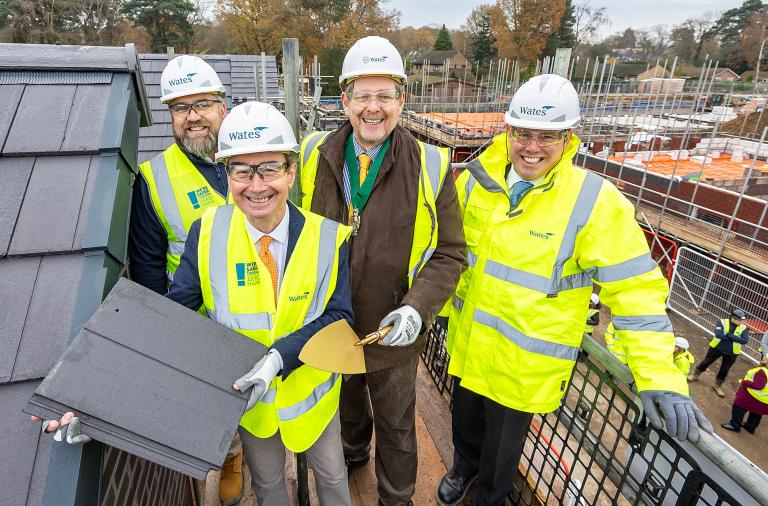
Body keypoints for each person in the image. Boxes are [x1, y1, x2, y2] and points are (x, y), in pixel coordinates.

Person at [36, 102, 355, 506]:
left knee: (332, 477)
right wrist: (95, 400)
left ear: (291, 172)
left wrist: (279, 358)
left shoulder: (328, 237)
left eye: (270, 168)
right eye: (242, 170)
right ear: (227, 174)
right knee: (269, 484)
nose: (257, 186)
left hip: (314, 397)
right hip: (251, 407)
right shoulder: (207, 233)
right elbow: (170, 321)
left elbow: (339, 316)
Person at [438, 74, 712, 506]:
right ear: (508, 132)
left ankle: (488, 497)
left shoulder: (595, 202)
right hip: (469, 345)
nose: (531, 147)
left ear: (569, 139)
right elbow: (449, 256)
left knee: (501, 456)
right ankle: (461, 469)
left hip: (521, 366)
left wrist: (660, 377)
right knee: (464, 424)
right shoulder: (476, 181)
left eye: (547, 137)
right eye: (523, 134)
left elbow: (636, 294)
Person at [299, 36, 466, 506]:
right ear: (345, 101)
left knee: (396, 422)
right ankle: (353, 454)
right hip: (331, 321)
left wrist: (417, 308)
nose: (374, 109)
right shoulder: (314, 153)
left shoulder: (432, 166)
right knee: (347, 403)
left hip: (395, 328)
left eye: (385, 96)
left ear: (402, 101)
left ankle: (396, 497)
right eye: (363, 96)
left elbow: (451, 252)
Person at [127, 54, 245, 504]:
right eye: (180, 108)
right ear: (171, 117)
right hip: (200, 319)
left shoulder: (254, 156)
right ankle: (230, 454)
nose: (193, 116)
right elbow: (148, 266)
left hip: (264, 303)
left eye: (202, 104)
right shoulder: (154, 180)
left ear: (223, 107)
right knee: (215, 404)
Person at [689, 308, 750, 398]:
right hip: (717, 347)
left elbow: (744, 341)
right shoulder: (722, 322)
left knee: (725, 369)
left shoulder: (744, 328)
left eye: (743, 320)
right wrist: (736, 337)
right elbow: (718, 334)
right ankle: (695, 375)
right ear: (733, 318)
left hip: (732, 352)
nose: (742, 322)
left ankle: (717, 385)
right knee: (707, 361)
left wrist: (728, 335)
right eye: (740, 320)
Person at [720, 356, 768, 434]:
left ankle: (735, 425)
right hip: (764, 401)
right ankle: (750, 427)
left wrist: (744, 382)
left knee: (738, 407)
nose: (763, 359)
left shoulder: (762, 371)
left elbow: (758, 385)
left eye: (765, 359)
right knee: (756, 413)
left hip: (752, 396)